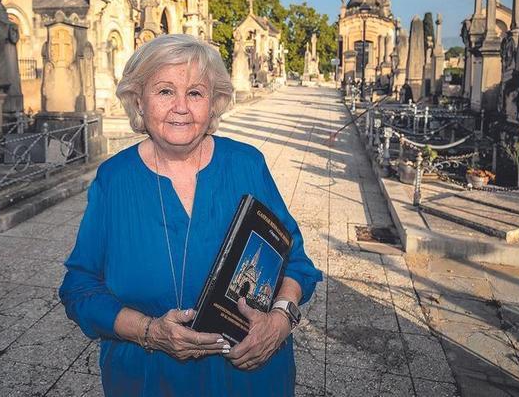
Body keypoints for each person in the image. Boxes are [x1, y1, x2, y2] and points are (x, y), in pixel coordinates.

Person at [59, 34, 322, 396]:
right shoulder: (114, 179)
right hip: (151, 381)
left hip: (252, 378)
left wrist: (279, 321)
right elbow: (80, 286)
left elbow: (295, 260)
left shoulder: (247, 164)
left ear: (213, 105)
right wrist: (149, 331)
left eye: (196, 93)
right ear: (139, 101)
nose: (181, 107)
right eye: (165, 91)